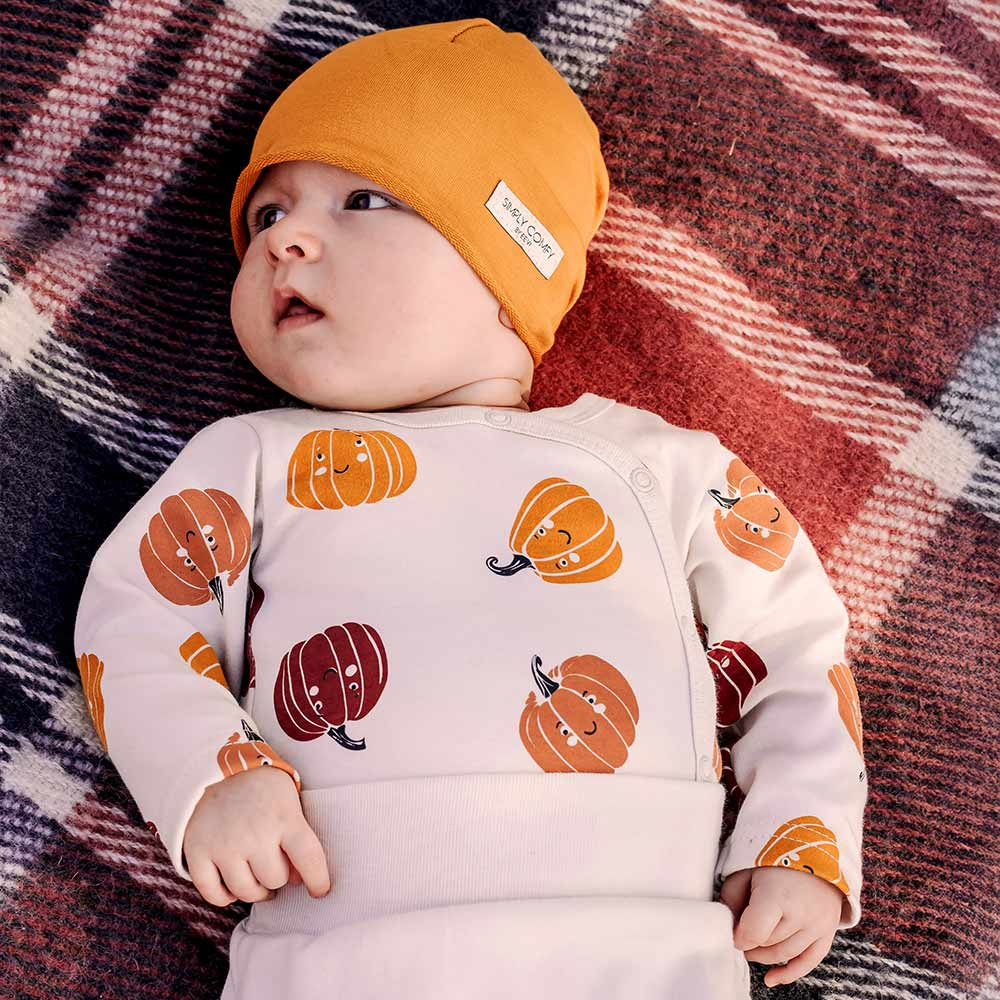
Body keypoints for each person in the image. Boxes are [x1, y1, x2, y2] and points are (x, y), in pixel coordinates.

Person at [73, 18, 867, 1000]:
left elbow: (791, 646)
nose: (284, 238)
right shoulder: (252, 461)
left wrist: (798, 833)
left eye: (364, 198)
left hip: (640, 951)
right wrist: (207, 772)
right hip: (338, 951)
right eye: (266, 211)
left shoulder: (661, 468)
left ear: (507, 264)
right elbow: (137, 616)